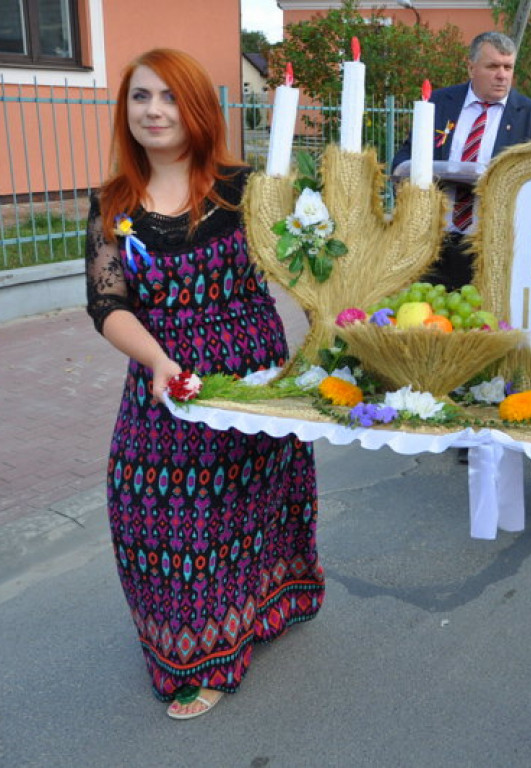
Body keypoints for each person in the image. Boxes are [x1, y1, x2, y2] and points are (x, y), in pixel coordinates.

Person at [86, 49, 323, 720]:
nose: (153, 110)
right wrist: (158, 361)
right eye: (140, 97)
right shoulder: (113, 204)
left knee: (246, 506)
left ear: (196, 108)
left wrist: (328, 338)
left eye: (167, 96)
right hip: (166, 381)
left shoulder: (246, 189)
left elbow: (308, 268)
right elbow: (108, 304)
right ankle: (184, 646)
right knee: (145, 510)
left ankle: (241, 631)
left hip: (250, 372)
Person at [391, 31, 531, 290]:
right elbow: (406, 156)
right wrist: (408, 182)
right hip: (432, 242)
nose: (502, 75)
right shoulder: (437, 104)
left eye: (508, 67)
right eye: (492, 66)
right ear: (471, 68)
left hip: (491, 247)